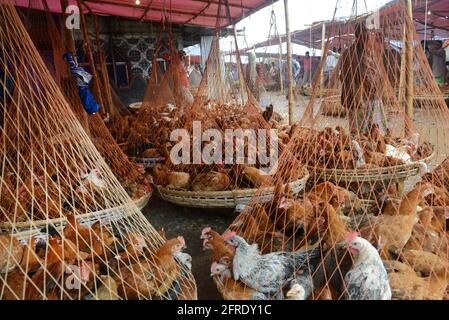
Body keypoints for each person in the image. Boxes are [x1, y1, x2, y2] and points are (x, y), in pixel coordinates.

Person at [339, 21, 386, 134]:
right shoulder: (349, 54)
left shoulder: (371, 52)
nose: (367, 38)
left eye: (369, 35)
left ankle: (375, 147)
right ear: (357, 36)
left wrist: (376, 88)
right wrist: (357, 91)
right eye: (364, 36)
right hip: (357, 100)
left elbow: (376, 74)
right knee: (359, 132)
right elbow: (344, 77)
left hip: (373, 98)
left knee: (375, 132)